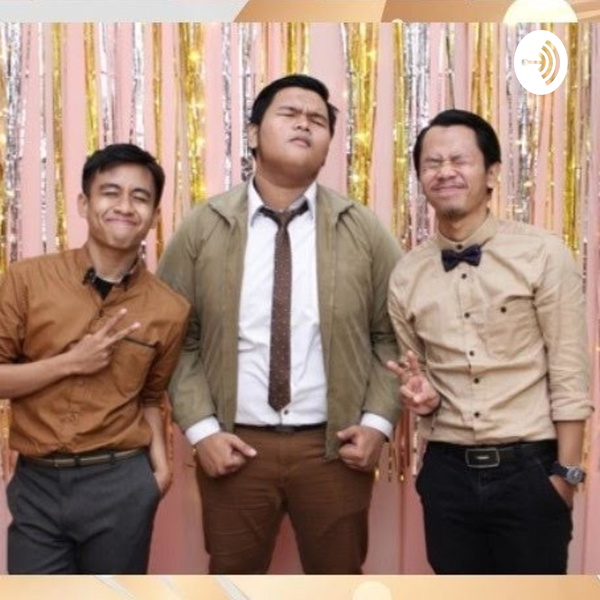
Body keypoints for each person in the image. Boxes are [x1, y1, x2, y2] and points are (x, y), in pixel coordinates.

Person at [157, 74, 402, 574]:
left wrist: (377, 424)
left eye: (318, 120)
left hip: (334, 449)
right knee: (231, 584)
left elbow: (392, 336)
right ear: (253, 133)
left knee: (338, 584)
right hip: (234, 445)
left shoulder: (364, 229)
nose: (304, 124)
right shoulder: (203, 227)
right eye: (290, 114)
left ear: (329, 144)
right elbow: (177, 340)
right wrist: (202, 431)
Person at [387, 109, 592, 574]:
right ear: (421, 178)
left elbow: (569, 371)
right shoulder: (406, 274)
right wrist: (423, 399)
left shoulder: (542, 254)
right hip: (446, 473)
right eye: (433, 163)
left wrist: (565, 476)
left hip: (530, 470)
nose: (445, 171)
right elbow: (418, 374)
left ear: (492, 173)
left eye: (459, 160)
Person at [0, 143, 191, 574]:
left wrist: (161, 470)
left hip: (121, 482)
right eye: (110, 192)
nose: (124, 206)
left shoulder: (170, 309)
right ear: (84, 204)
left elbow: (150, 398)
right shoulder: (27, 280)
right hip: (38, 483)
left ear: (154, 217)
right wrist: (70, 362)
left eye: (140, 197)